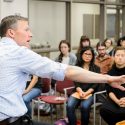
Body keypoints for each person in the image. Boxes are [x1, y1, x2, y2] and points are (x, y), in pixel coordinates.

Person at [0, 15, 125, 125]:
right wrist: (108, 78)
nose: (31, 34)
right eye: (26, 29)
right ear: (11, 32)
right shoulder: (18, 53)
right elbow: (68, 72)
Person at [67, 47, 100, 125]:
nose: (88, 56)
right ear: (81, 55)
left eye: (90, 54)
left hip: (91, 92)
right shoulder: (77, 67)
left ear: (92, 56)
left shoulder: (96, 68)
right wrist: (80, 91)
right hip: (78, 91)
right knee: (69, 105)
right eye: (86, 54)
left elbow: (96, 84)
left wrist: (87, 93)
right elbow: (76, 81)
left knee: (84, 106)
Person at [100, 46, 125, 125]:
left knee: (122, 112)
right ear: (114, 57)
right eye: (117, 55)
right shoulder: (110, 72)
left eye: (122, 55)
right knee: (103, 110)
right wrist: (117, 101)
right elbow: (109, 91)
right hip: (115, 99)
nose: (120, 58)